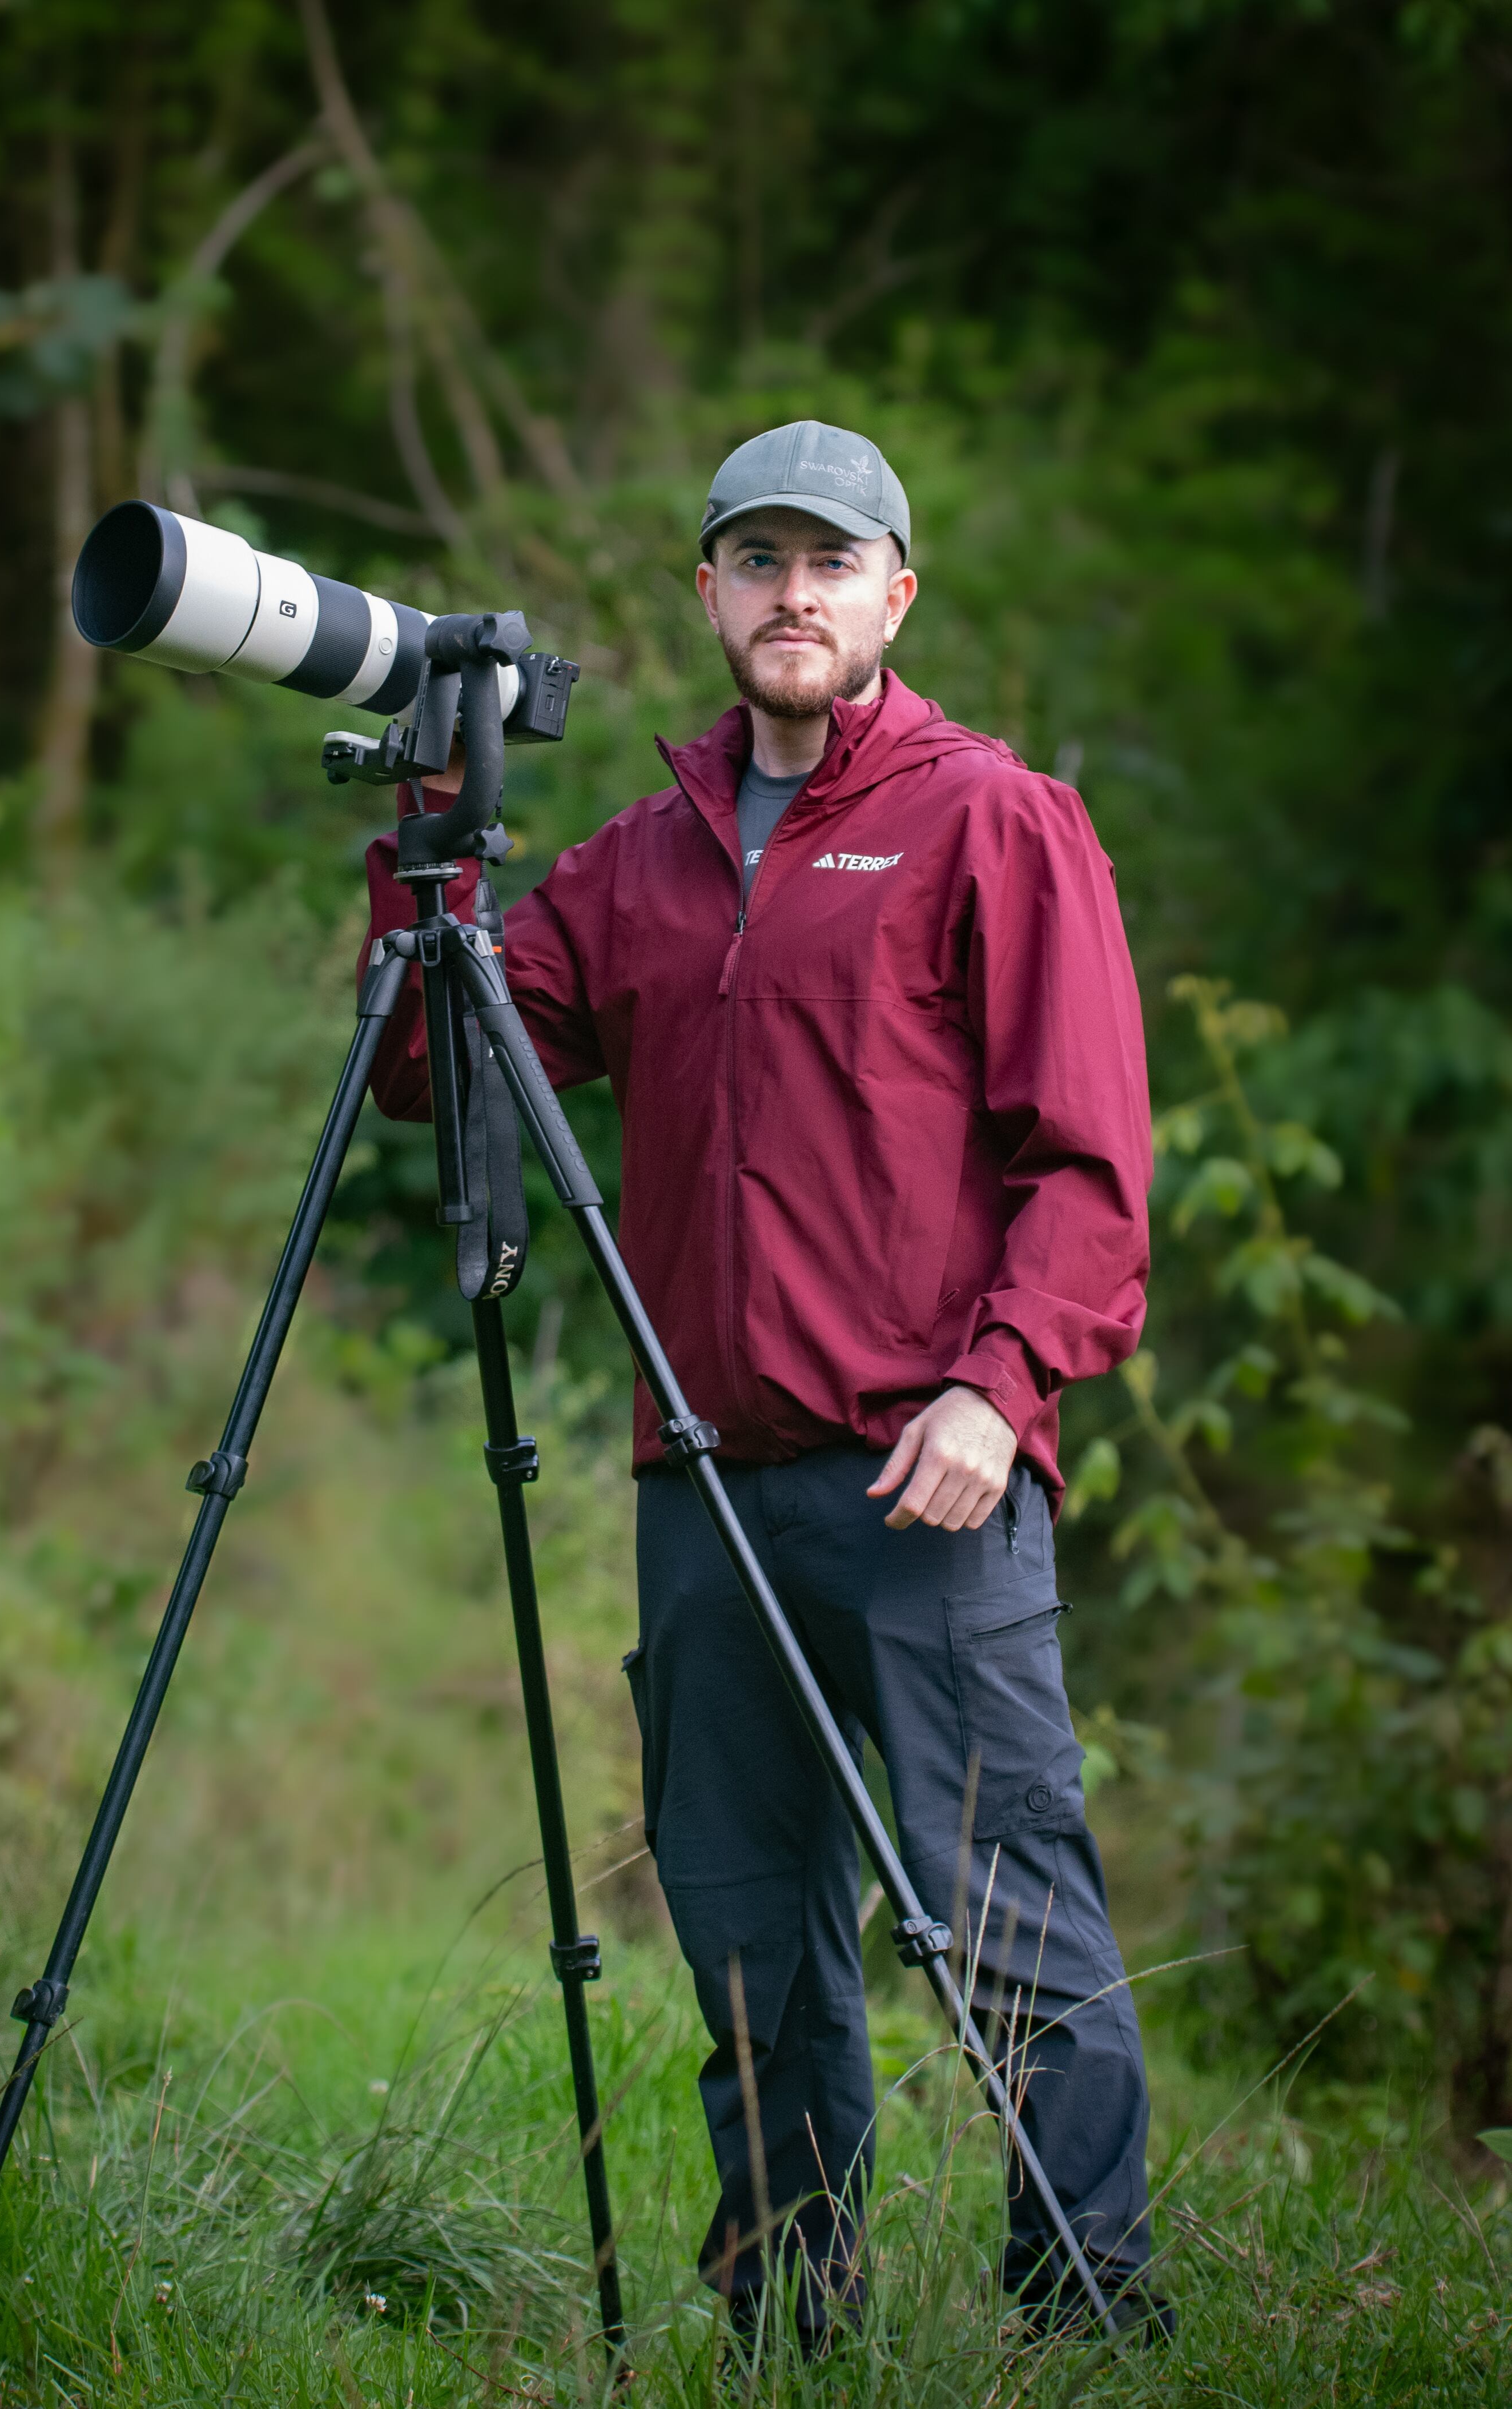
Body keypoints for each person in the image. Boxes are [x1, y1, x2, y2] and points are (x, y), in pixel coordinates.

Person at [361, 421, 1163, 2342]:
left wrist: (1000, 1388)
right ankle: (792, 2335)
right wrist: (422, 845)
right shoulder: (634, 861)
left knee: (1008, 1923)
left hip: (925, 1475)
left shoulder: (993, 819)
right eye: (757, 560)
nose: (792, 594)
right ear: (709, 592)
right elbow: (431, 1065)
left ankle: (1091, 2324)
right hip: (703, 1491)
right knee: (749, 1949)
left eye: (831, 561)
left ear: (897, 594)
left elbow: (1091, 1170)